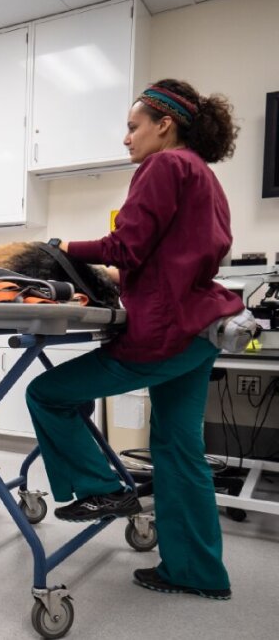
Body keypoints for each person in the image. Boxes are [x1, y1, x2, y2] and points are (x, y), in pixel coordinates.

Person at [25, 79, 241, 601]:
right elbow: (166, 256)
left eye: (132, 126)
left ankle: (101, 490)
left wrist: (60, 246)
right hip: (199, 329)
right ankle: (197, 572)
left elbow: (127, 244)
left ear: (164, 124)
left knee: (47, 394)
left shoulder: (165, 165)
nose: (126, 139)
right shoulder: (204, 177)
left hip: (167, 335)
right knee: (179, 448)